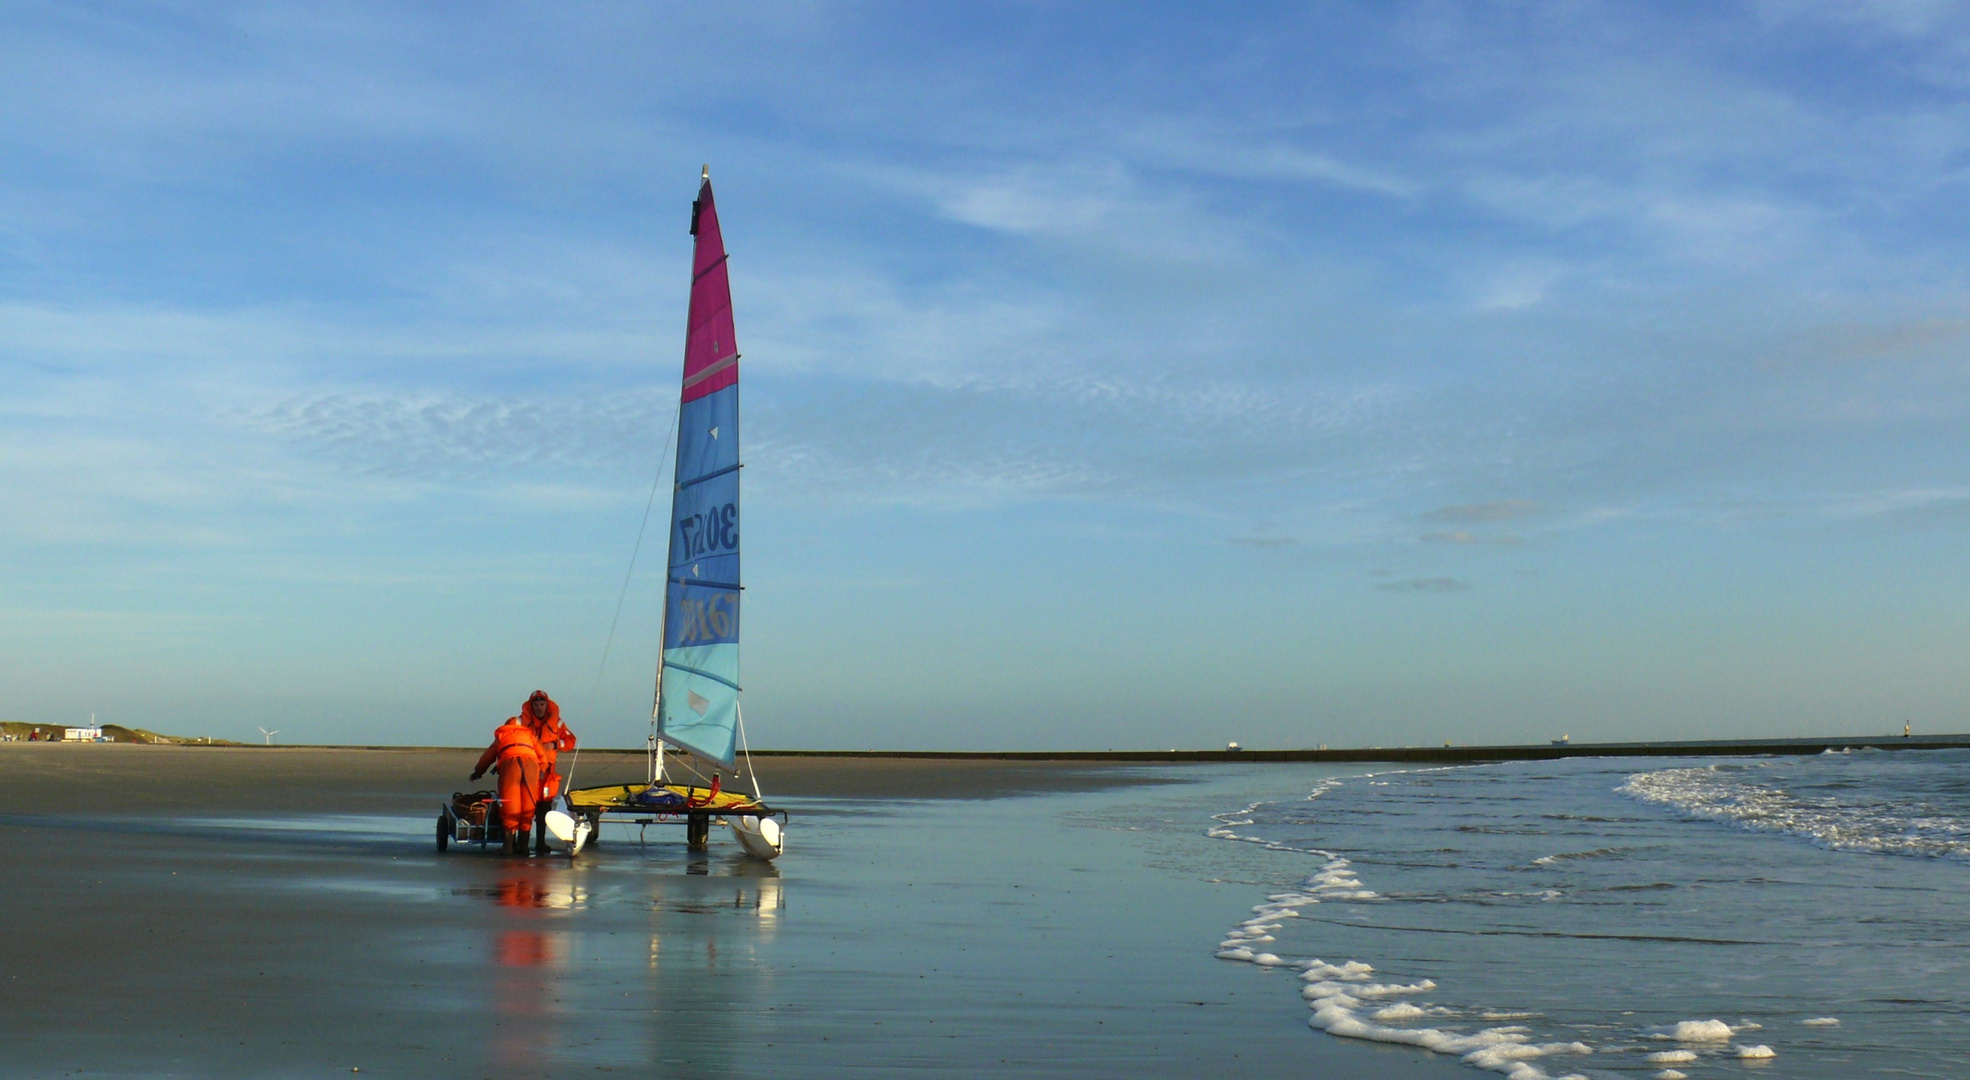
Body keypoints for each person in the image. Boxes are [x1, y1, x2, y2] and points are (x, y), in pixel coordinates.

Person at [470, 717, 542, 855]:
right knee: (528, 804)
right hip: (531, 765)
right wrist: (543, 771)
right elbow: (543, 756)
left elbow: (487, 757)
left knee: (510, 802)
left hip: (511, 765)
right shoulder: (530, 736)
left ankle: (508, 847)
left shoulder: (502, 736)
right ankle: (524, 846)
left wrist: (477, 773)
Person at [521, 690, 576, 855]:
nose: (539, 708)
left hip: (546, 773)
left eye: (542, 704)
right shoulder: (520, 722)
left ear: (547, 705)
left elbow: (570, 741)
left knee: (543, 808)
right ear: (531, 706)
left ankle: (540, 843)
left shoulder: (557, 724)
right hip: (527, 769)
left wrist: (555, 744)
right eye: (536, 705)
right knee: (524, 807)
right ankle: (520, 844)